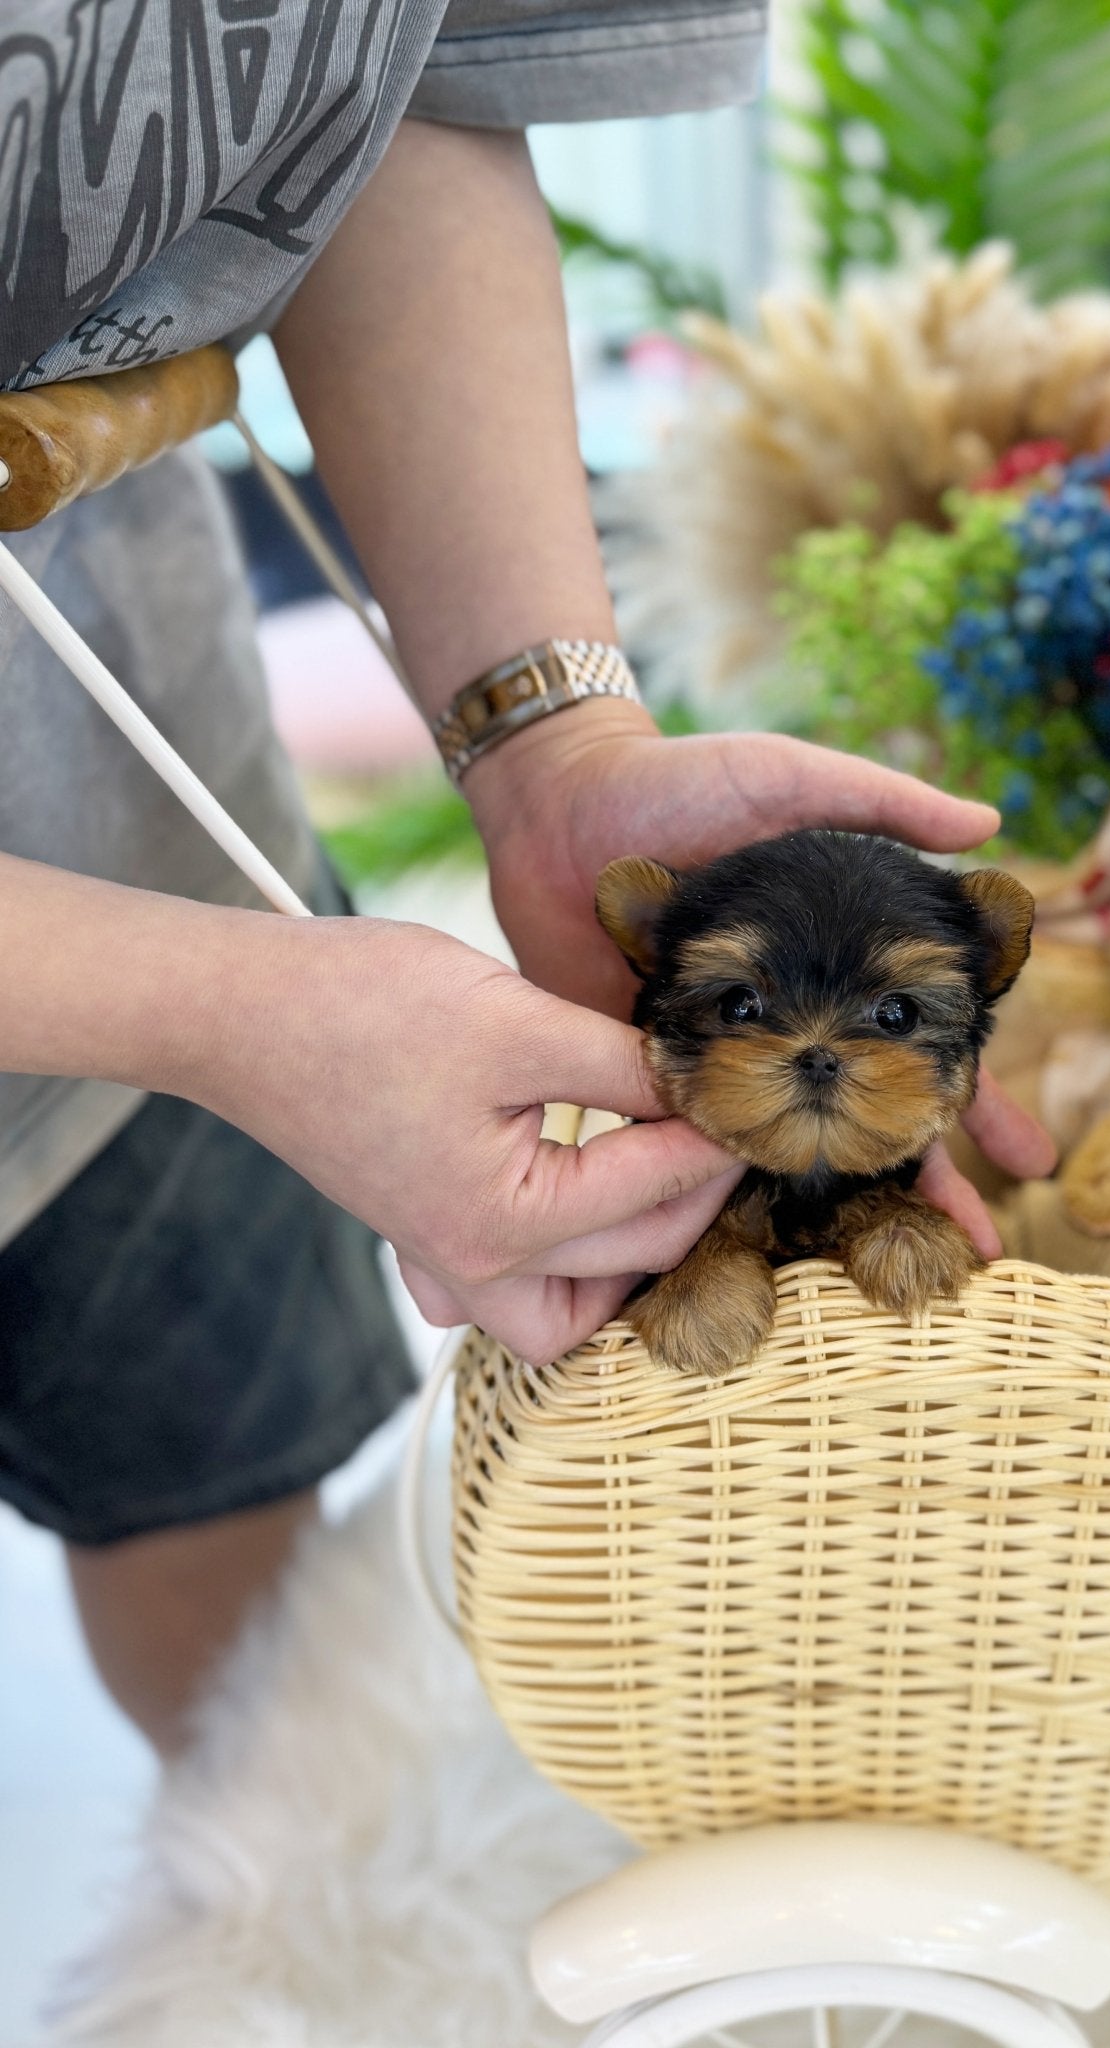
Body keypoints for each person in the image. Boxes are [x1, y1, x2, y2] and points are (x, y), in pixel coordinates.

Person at [0, 8, 1054, 1753]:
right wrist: (213, 1009)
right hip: (188, 914)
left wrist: (552, 740)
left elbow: (408, 84)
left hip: (139, 763)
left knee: (231, 1522)